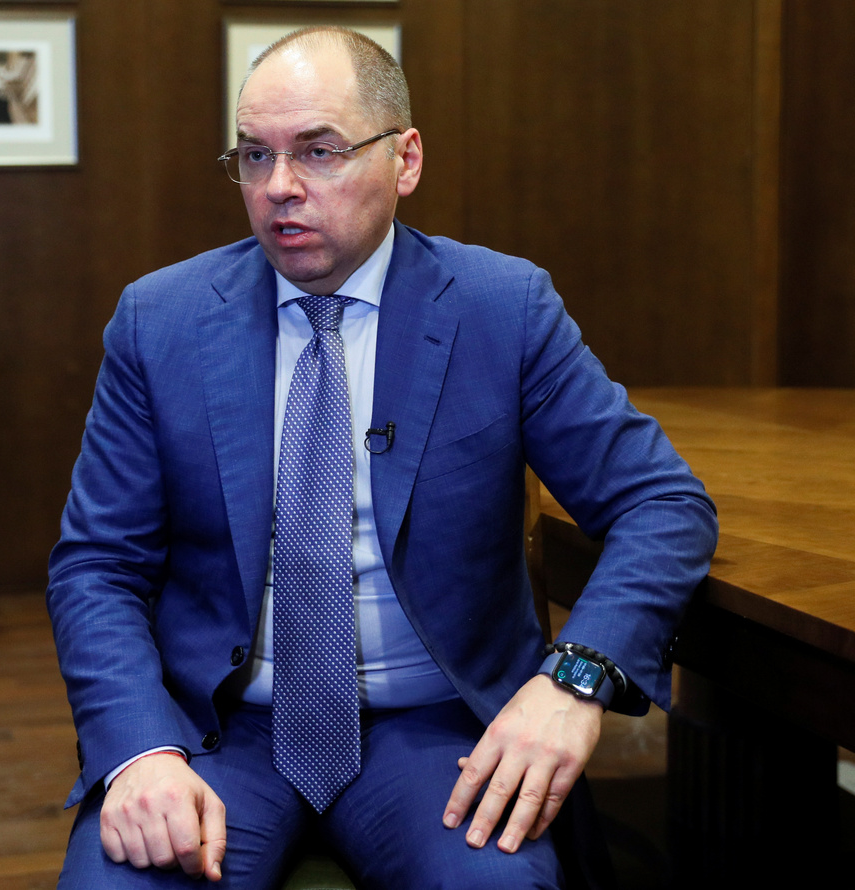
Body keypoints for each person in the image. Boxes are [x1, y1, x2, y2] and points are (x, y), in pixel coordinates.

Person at [47, 25, 717, 890]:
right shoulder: (160, 320)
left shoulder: (501, 308)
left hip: (438, 728)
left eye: (319, 151)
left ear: (406, 160)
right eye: (255, 155)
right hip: (215, 734)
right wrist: (140, 749)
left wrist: (573, 681)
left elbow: (661, 505)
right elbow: (96, 565)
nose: (279, 187)